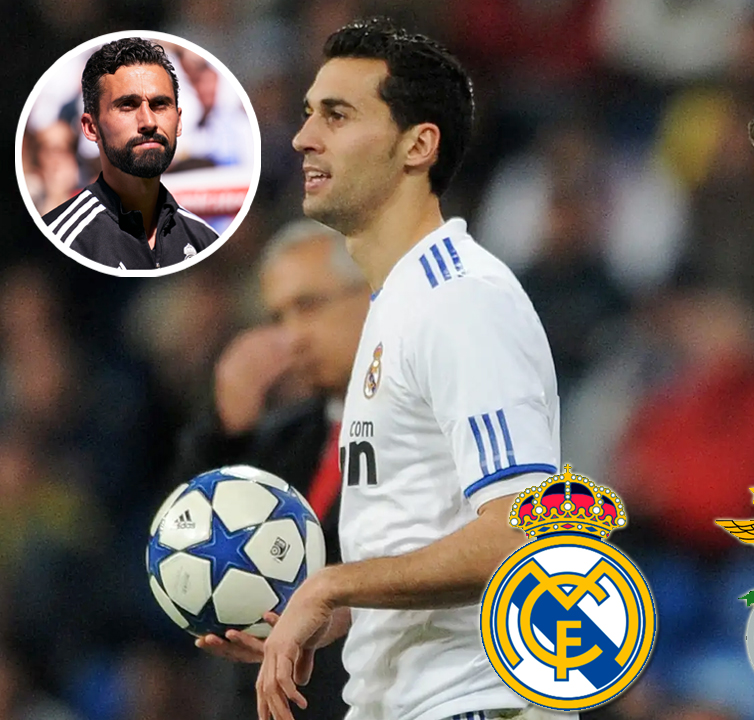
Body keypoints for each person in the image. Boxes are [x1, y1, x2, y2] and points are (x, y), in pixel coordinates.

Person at [196, 18, 567, 720]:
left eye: (337, 115)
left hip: (477, 703)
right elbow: (421, 530)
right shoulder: (395, 305)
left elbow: (528, 534)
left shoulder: (461, 298)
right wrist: (329, 615)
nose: (303, 137)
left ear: (417, 146)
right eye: (308, 113)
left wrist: (332, 585)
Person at [182, 219, 369, 720]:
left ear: (373, 292)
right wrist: (228, 429)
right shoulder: (279, 440)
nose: (291, 337)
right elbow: (186, 540)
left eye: (307, 306)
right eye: (277, 317)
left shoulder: (428, 422)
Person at [40, 37, 218, 270]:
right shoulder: (62, 241)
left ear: (179, 122)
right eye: (127, 105)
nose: (148, 121)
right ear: (91, 128)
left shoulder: (204, 239)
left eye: (159, 104)